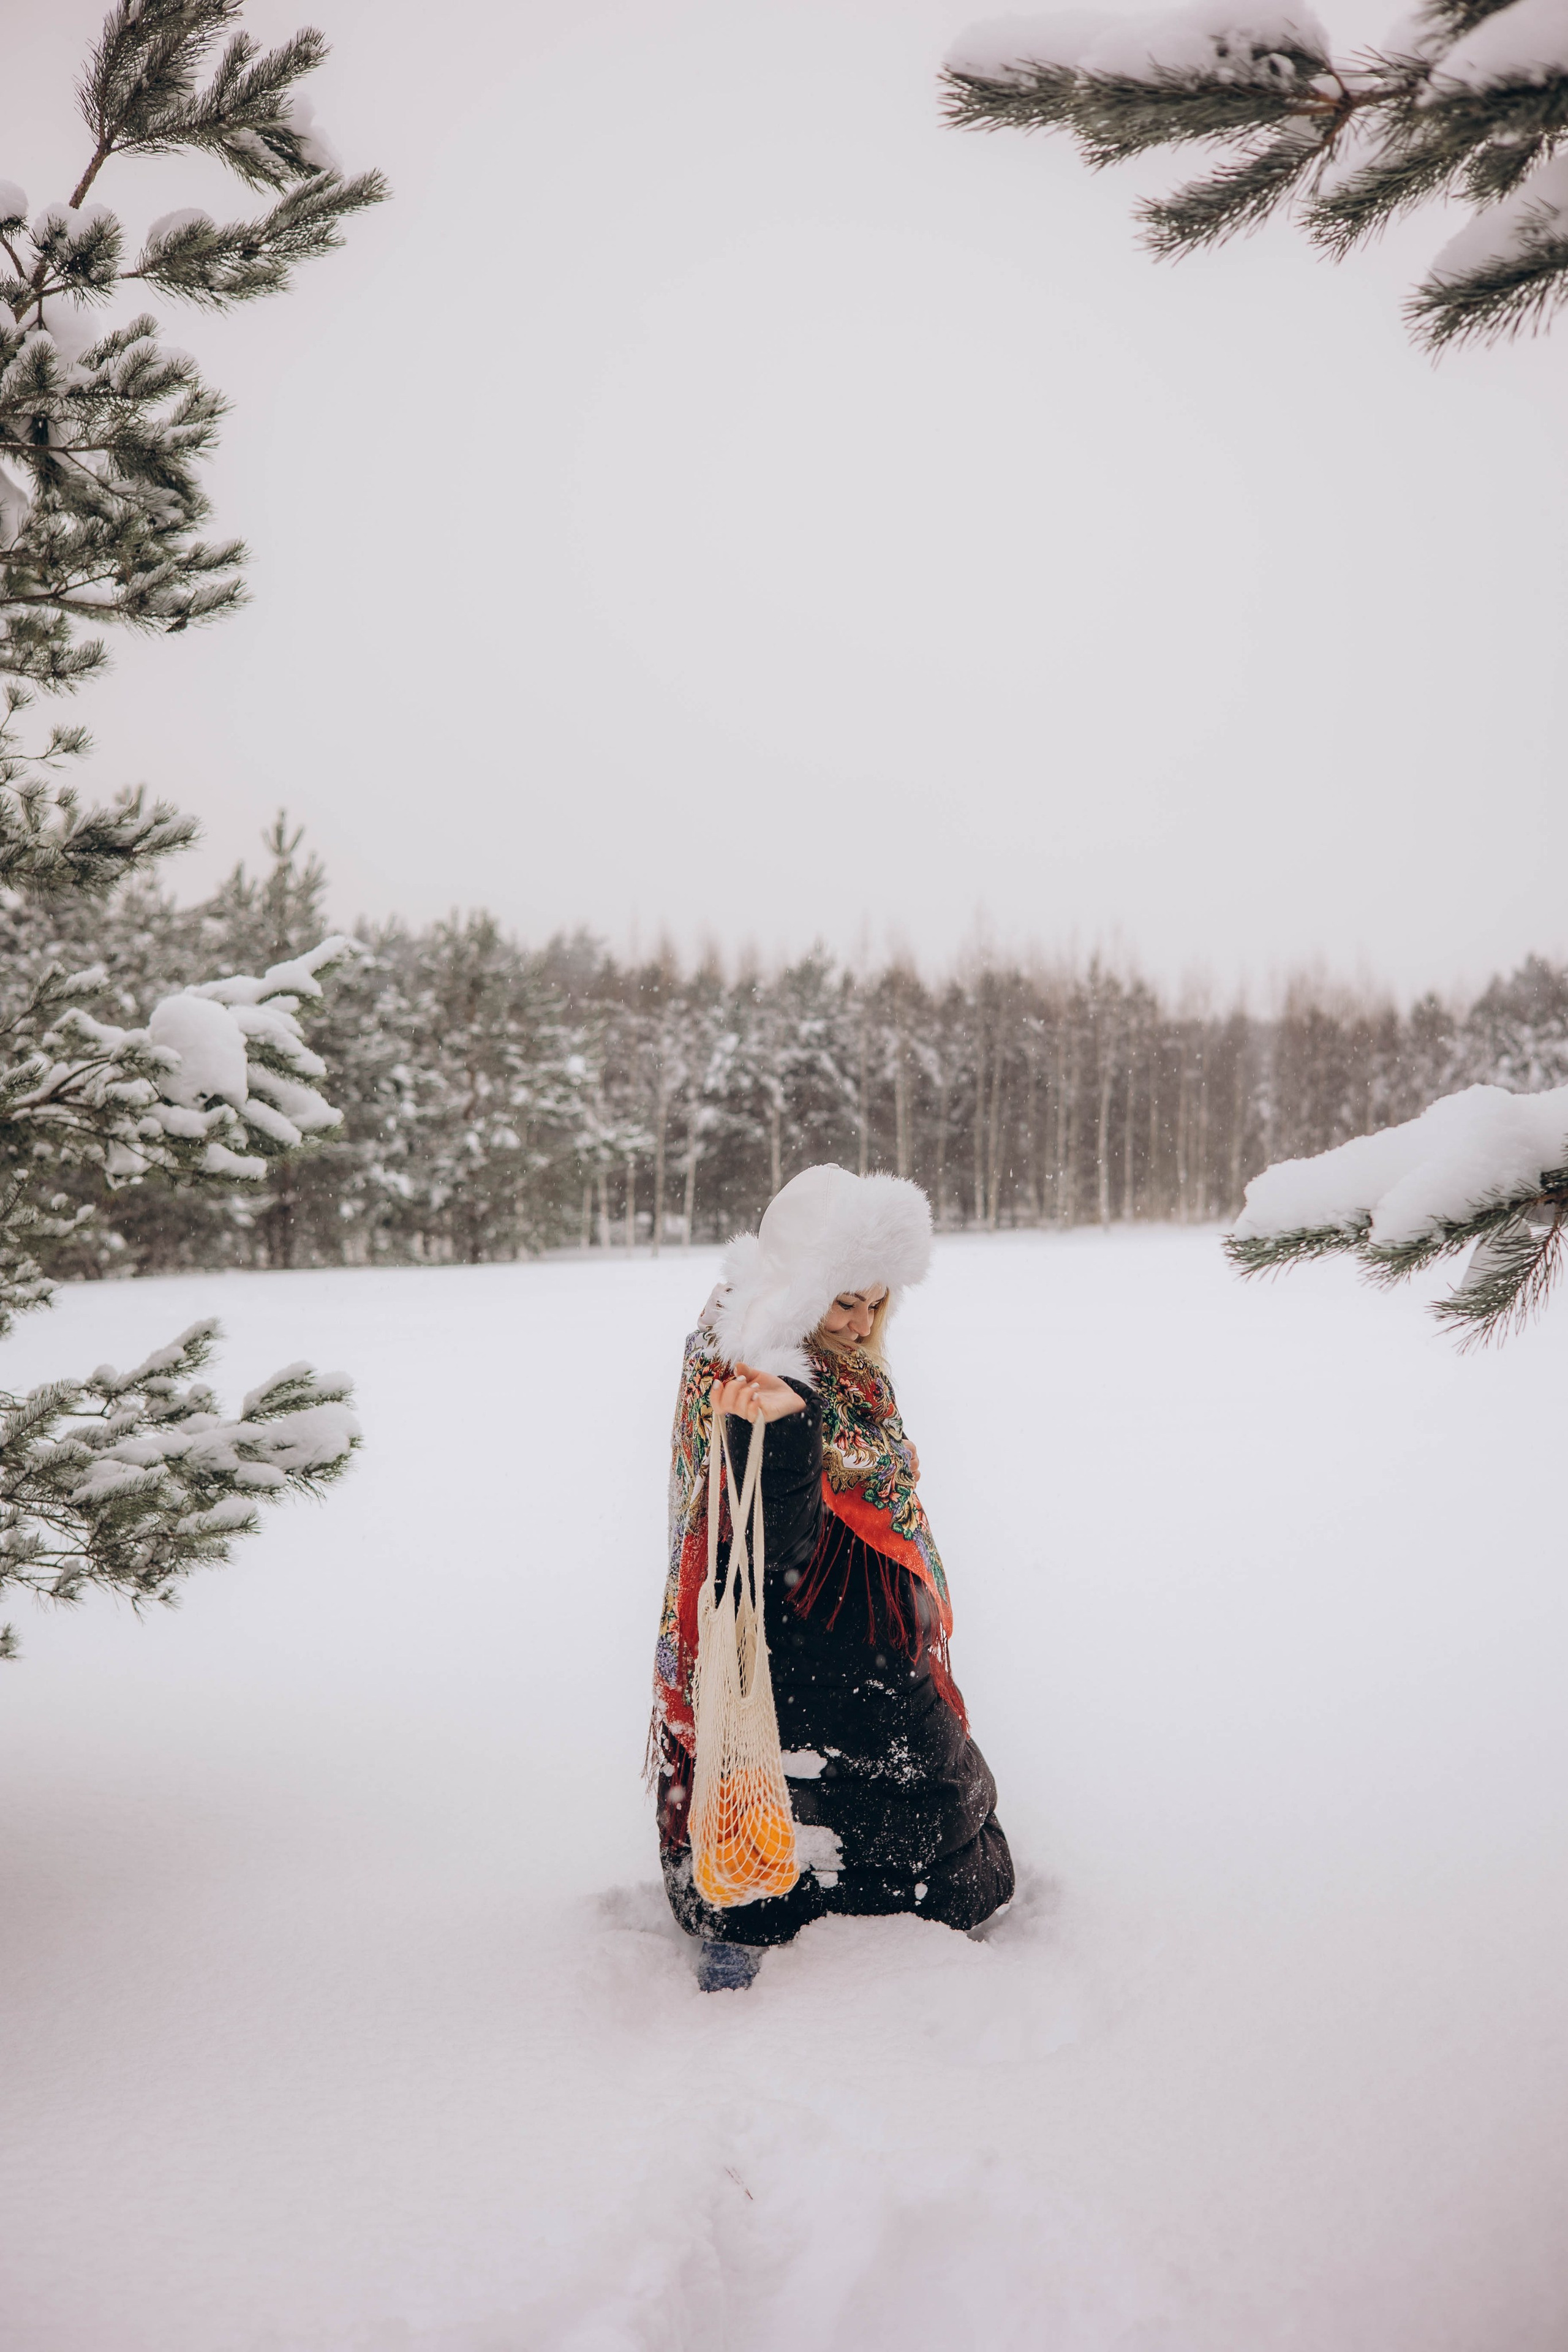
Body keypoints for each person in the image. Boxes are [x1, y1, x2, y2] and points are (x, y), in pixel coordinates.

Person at [649, 1164, 1014, 1989]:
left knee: (857, 1813)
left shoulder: (844, 1374)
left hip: (853, 1645)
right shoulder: (756, 1368)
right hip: (798, 1642)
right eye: (845, 1300)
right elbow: (767, 1530)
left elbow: (871, 1478)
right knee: (811, 1806)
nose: (860, 1322)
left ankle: (760, 1908)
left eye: (877, 1302)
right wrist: (788, 1433)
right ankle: (750, 1928)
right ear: (798, 1287)